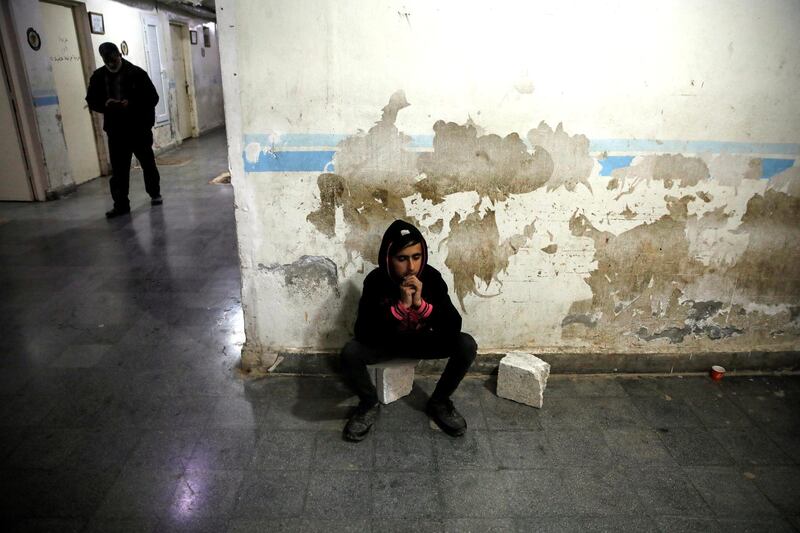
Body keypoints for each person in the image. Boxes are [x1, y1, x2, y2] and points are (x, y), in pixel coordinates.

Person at [340, 219, 477, 442]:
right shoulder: (375, 281)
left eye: (416, 257)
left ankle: (439, 402)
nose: (411, 267)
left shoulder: (431, 278)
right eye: (402, 259)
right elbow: (363, 332)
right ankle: (368, 404)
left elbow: (453, 327)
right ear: (388, 258)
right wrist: (400, 308)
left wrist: (421, 305)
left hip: (423, 341)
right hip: (388, 343)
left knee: (466, 344)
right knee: (350, 352)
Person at [86, 42, 162, 218]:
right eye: (108, 62)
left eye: (114, 60)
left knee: (147, 163)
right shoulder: (98, 76)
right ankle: (121, 204)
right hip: (116, 131)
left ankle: (154, 193)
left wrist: (133, 103)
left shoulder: (137, 74)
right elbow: (91, 100)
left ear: (119, 55)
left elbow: (153, 97)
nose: (112, 64)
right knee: (119, 170)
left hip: (139, 128)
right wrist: (105, 104)